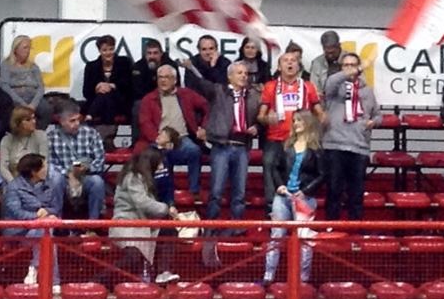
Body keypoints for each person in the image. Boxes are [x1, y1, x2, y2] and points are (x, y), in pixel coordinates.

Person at [184, 60, 261, 267]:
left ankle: (236, 227)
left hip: (242, 146)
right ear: (230, 77)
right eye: (239, 73)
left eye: (245, 73)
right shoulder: (218, 92)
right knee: (216, 191)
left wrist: (256, 127)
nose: (244, 76)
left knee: (240, 193)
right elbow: (201, 83)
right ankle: (211, 227)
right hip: (222, 146)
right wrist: (190, 66)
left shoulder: (254, 95)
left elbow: (261, 119)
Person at [263, 111, 326, 284]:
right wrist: (279, 185)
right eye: (295, 120)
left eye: (299, 120)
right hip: (283, 196)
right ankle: (268, 275)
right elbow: (275, 167)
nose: (296, 123)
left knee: (304, 239)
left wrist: (305, 191)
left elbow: (322, 175)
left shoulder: (316, 149)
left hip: (304, 198)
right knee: (276, 235)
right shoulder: (286, 145)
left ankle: (302, 279)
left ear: (307, 123)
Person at [259, 52, 324, 216]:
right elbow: (261, 115)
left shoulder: (308, 86)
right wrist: (267, 119)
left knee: (308, 167)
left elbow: (318, 112)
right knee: (269, 163)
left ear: (298, 65)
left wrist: (323, 119)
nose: (290, 63)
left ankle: (302, 199)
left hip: (300, 138)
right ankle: (270, 208)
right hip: (276, 138)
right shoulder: (270, 86)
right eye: (285, 61)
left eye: (293, 60)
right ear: (279, 66)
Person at [109, 148, 181, 284]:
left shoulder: (146, 179)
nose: (161, 168)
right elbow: (143, 203)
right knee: (134, 257)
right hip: (126, 224)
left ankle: (163, 272)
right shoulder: (133, 177)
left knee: (168, 229)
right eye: (158, 164)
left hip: (143, 225)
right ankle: (99, 282)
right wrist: (167, 209)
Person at [323, 53, 380, 221]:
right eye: (346, 65)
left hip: (359, 147)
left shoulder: (367, 91)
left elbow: (378, 114)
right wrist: (360, 67)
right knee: (334, 191)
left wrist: (373, 122)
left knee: (356, 193)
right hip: (335, 146)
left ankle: (355, 231)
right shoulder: (334, 88)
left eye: (353, 65)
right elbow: (331, 82)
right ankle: (331, 227)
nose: (350, 68)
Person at [136, 65, 208, 196]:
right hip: (158, 139)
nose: (163, 81)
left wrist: (204, 127)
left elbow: (207, 106)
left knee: (194, 151)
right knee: (161, 156)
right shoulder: (149, 99)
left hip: (182, 138)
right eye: (160, 77)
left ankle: (194, 191)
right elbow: (145, 123)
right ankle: (165, 195)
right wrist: (159, 140)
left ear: (175, 80)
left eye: (167, 77)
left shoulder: (186, 94)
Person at [1, 153, 61, 291]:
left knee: (45, 232)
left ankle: (34, 267)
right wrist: (37, 217)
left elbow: (54, 207)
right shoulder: (14, 187)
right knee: (44, 230)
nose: (47, 169)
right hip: (18, 231)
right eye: (44, 166)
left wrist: (47, 213)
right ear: (34, 171)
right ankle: (54, 281)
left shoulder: (48, 185)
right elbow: (16, 213)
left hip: (40, 229)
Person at [47, 102, 106, 224]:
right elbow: (50, 164)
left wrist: (87, 168)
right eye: (72, 121)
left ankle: (93, 224)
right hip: (64, 178)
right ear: (61, 121)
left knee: (97, 182)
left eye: (78, 120)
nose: (77, 124)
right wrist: (69, 173)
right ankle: (55, 222)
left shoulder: (91, 133)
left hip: (86, 176)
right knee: (55, 180)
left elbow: (100, 160)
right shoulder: (51, 137)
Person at [83, 35, 133, 150]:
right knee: (104, 96)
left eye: (111, 49)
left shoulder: (124, 62)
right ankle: (108, 138)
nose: (108, 53)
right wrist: (97, 87)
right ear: (99, 51)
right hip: (99, 103)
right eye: (104, 50)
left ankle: (91, 117)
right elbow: (86, 92)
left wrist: (112, 85)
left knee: (107, 94)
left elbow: (129, 86)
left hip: (120, 102)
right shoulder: (91, 66)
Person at [1, 35, 53, 129]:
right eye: (25, 47)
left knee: (46, 109)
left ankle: (36, 133)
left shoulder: (33, 66)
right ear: (16, 49)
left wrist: (33, 104)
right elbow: (5, 86)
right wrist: (22, 104)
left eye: (29, 48)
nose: (28, 51)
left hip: (33, 97)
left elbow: (41, 87)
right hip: (14, 97)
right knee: (10, 110)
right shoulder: (6, 65)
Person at [130, 40, 177, 145]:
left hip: (167, 97)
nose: (152, 56)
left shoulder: (171, 66)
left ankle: (173, 139)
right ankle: (136, 141)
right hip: (146, 100)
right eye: (149, 53)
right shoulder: (138, 67)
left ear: (161, 54)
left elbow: (175, 87)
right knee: (138, 105)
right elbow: (137, 90)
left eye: (155, 53)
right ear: (145, 55)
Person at [0, 106, 49, 188]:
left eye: (34, 118)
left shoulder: (41, 136)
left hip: (36, 179)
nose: (34, 121)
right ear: (18, 123)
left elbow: (45, 162)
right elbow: (3, 167)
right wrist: (14, 184)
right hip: (13, 179)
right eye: (28, 120)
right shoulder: (7, 140)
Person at [308, 31, 343, 95]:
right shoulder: (317, 62)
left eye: (332, 52)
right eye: (327, 53)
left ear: (339, 46)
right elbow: (314, 87)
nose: (330, 55)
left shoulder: (351, 60)